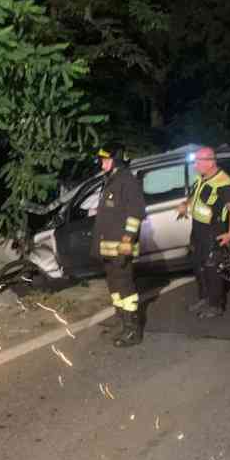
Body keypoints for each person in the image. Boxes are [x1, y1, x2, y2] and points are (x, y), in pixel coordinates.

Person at [91, 145, 147, 346]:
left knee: (125, 288)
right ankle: (121, 321)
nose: (102, 163)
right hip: (108, 248)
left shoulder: (127, 181)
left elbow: (136, 214)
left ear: (116, 160)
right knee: (114, 286)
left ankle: (133, 331)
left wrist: (127, 241)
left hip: (120, 247)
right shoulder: (110, 181)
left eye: (105, 159)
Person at [176, 147, 230, 319]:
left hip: (214, 230)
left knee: (211, 268)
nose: (195, 165)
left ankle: (215, 305)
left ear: (211, 161)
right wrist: (185, 204)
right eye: (195, 161)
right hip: (198, 229)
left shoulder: (223, 182)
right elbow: (195, 195)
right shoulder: (202, 177)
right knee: (199, 266)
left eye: (198, 161)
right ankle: (204, 298)